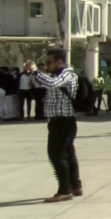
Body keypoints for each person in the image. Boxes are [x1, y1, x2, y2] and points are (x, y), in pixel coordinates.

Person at [26, 51, 82, 203]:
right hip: (57, 121)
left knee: (56, 154)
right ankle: (75, 186)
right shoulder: (55, 75)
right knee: (68, 154)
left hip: (64, 121)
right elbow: (39, 84)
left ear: (59, 62)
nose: (47, 65)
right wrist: (33, 73)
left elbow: (52, 84)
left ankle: (65, 190)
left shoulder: (67, 74)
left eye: (49, 62)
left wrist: (36, 71)